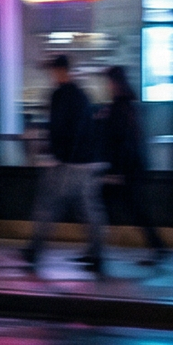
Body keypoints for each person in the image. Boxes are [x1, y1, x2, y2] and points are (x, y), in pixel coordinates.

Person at [28, 55, 106, 272]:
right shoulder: (81, 94)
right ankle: (97, 254)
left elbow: (59, 128)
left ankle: (34, 250)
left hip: (69, 162)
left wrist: (57, 154)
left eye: (53, 71)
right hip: (87, 160)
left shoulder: (61, 95)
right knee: (89, 210)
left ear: (60, 70)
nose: (51, 75)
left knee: (48, 205)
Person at [98, 64, 165, 262]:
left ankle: (98, 247)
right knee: (131, 209)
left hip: (125, 170)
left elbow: (121, 140)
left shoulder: (120, 107)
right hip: (131, 167)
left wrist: (116, 171)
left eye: (109, 82)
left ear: (114, 83)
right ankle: (157, 247)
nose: (107, 86)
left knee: (115, 207)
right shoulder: (128, 105)